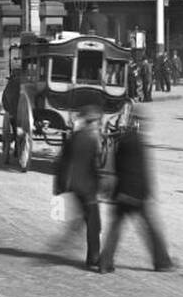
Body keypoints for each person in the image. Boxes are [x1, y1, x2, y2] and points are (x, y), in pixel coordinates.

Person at [99, 106, 172, 273]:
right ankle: (162, 262)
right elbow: (143, 171)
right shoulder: (138, 142)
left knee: (115, 230)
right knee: (151, 229)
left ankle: (105, 262)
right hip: (137, 194)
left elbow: (114, 167)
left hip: (121, 193)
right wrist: (149, 192)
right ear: (137, 122)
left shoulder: (122, 141)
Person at [61, 105, 104, 268]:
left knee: (87, 221)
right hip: (87, 187)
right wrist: (99, 185)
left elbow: (63, 163)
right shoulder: (92, 140)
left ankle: (91, 255)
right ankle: (93, 258)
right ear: (91, 122)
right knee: (94, 223)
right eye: (96, 122)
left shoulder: (74, 138)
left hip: (74, 186)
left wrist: (61, 187)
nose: (97, 126)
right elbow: (95, 166)